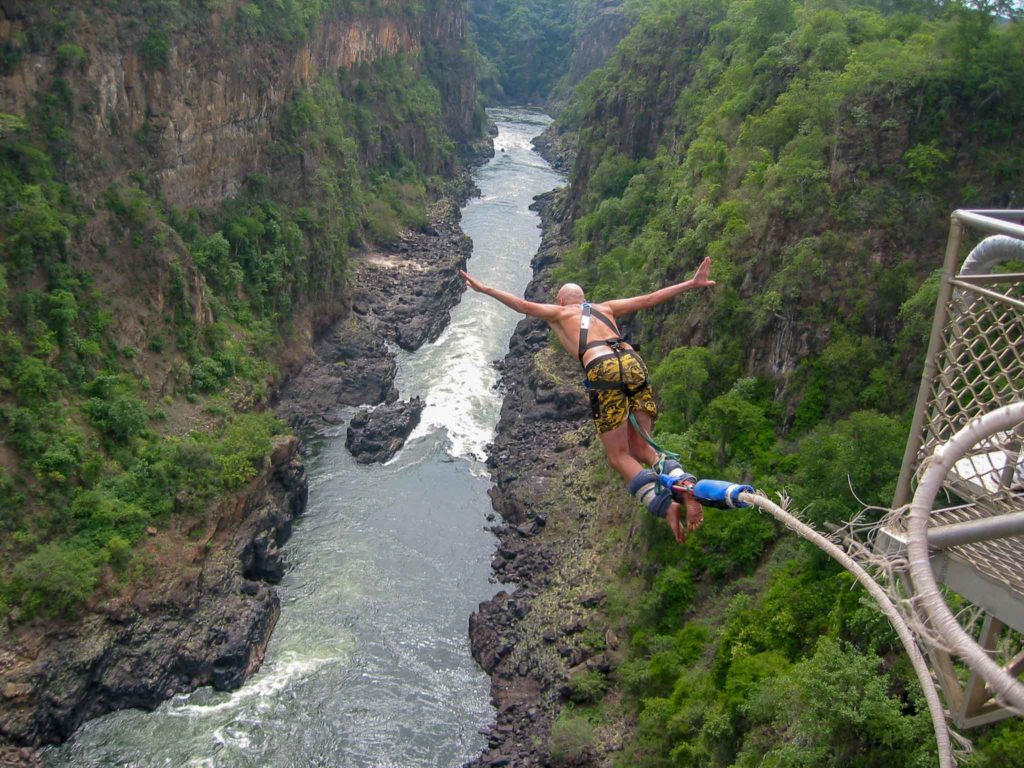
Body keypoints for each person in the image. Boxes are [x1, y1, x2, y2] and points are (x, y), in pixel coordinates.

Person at [459, 256, 716, 543]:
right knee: (643, 448)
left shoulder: (559, 313)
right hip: (632, 361)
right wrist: (692, 283)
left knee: (619, 456)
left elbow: (523, 306)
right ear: (584, 298)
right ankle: (683, 484)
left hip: (602, 367)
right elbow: (650, 298)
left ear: (560, 299)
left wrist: (485, 290)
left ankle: (666, 507)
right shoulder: (606, 308)